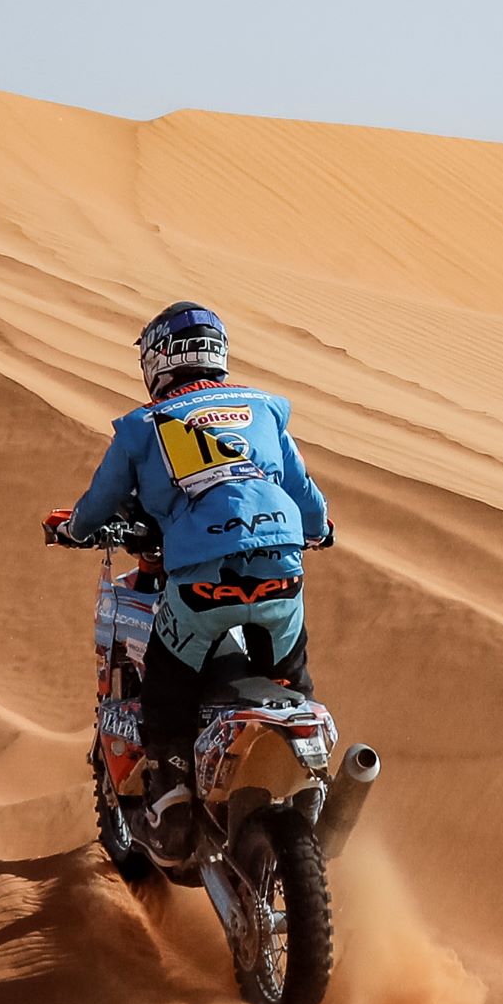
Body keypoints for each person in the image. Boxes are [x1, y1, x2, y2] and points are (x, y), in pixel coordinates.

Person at [51, 302, 331, 839]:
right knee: (293, 682)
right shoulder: (264, 409)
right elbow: (308, 501)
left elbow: (99, 503)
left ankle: (173, 794)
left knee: (165, 689)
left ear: (159, 359)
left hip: (202, 585)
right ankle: (313, 780)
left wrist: (76, 530)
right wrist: (319, 531)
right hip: (282, 576)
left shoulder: (142, 426)